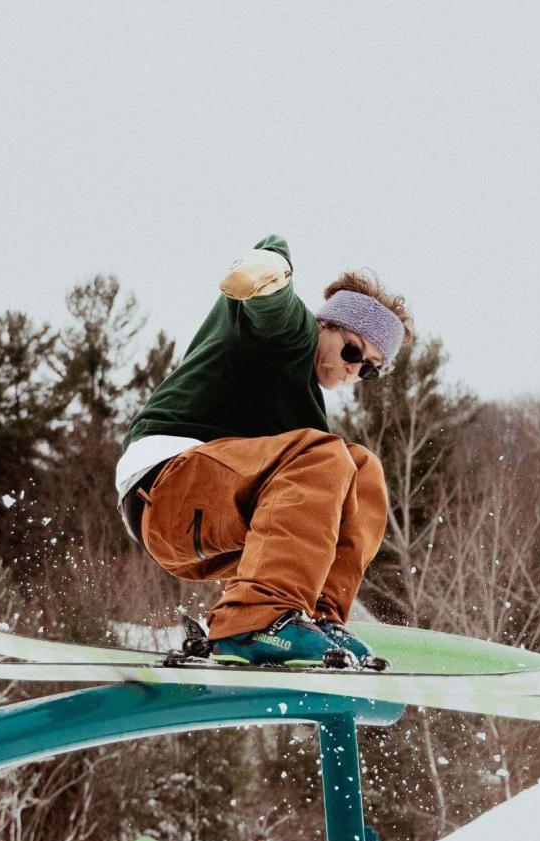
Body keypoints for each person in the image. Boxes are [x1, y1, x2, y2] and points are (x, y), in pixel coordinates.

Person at [115, 235, 410, 667]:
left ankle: (313, 620)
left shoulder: (307, 421)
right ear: (326, 325)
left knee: (361, 471)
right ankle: (253, 622)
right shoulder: (292, 338)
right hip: (163, 486)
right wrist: (269, 269)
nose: (353, 369)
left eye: (369, 369)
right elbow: (274, 303)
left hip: (209, 527)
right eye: (352, 350)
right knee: (327, 456)